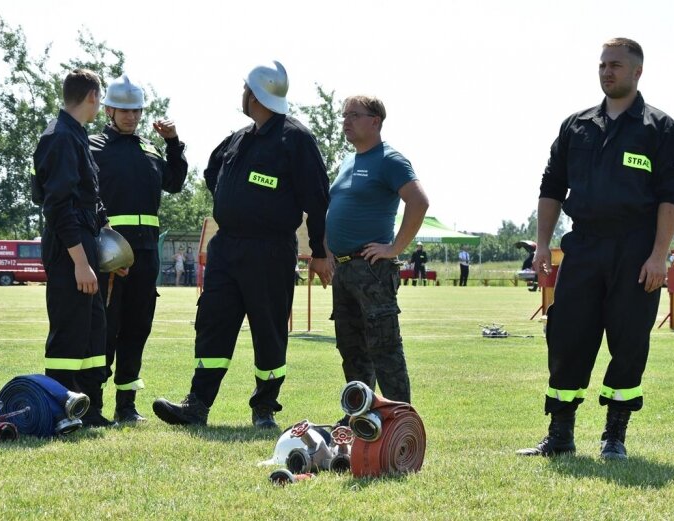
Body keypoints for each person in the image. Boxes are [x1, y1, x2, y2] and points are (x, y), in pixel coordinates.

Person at [517, 38, 674, 460]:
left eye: (615, 65)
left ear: (637, 72)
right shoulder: (577, 126)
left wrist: (658, 255)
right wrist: (542, 244)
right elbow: (551, 186)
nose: (607, 72)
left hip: (636, 250)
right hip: (584, 246)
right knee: (567, 337)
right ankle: (560, 436)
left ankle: (614, 436)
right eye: (602, 65)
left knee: (629, 342)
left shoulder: (661, 129)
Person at [152, 61, 332, 429]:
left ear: (255, 94)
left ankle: (264, 409)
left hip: (270, 252)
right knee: (212, 324)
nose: (242, 94)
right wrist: (234, 201)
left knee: (269, 330)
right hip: (227, 249)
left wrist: (318, 252)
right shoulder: (238, 138)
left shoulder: (295, 139)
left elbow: (317, 200)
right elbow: (212, 173)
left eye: (245, 88)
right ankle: (196, 406)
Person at [90, 74, 188, 422]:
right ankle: (93, 405)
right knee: (106, 329)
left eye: (137, 110)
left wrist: (173, 143)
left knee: (137, 328)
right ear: (110, 110)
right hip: (110, 256)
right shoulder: (93, 148)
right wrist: (104, 251)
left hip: (146, 257)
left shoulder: (150, 149)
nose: (131, 116)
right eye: (124, 110)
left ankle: (126, 407)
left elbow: (175, 183)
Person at [325, 94, 429, 415]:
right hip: (344, 271)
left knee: (384, 349)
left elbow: (419, 201)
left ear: (375, 121)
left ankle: (401, 421)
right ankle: (360, 418)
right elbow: (334, 209)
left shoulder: (389, 159)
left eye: (353, 115)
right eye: (344, 115)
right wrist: (329, 250)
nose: (346, 121)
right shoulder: (346, 161)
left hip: (371, 269)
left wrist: (394, 248)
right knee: (351, 349)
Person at [31, 69, 116, 427]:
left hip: (85, 243)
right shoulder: (60, 137)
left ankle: (90, 409)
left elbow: (88, 199)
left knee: (93, 328)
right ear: (93, 96)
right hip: (70, 248)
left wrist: (111, 249)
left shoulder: (76, 135)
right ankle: (59, 411)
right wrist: (81, 262)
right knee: (69, 329)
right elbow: (58, 206)